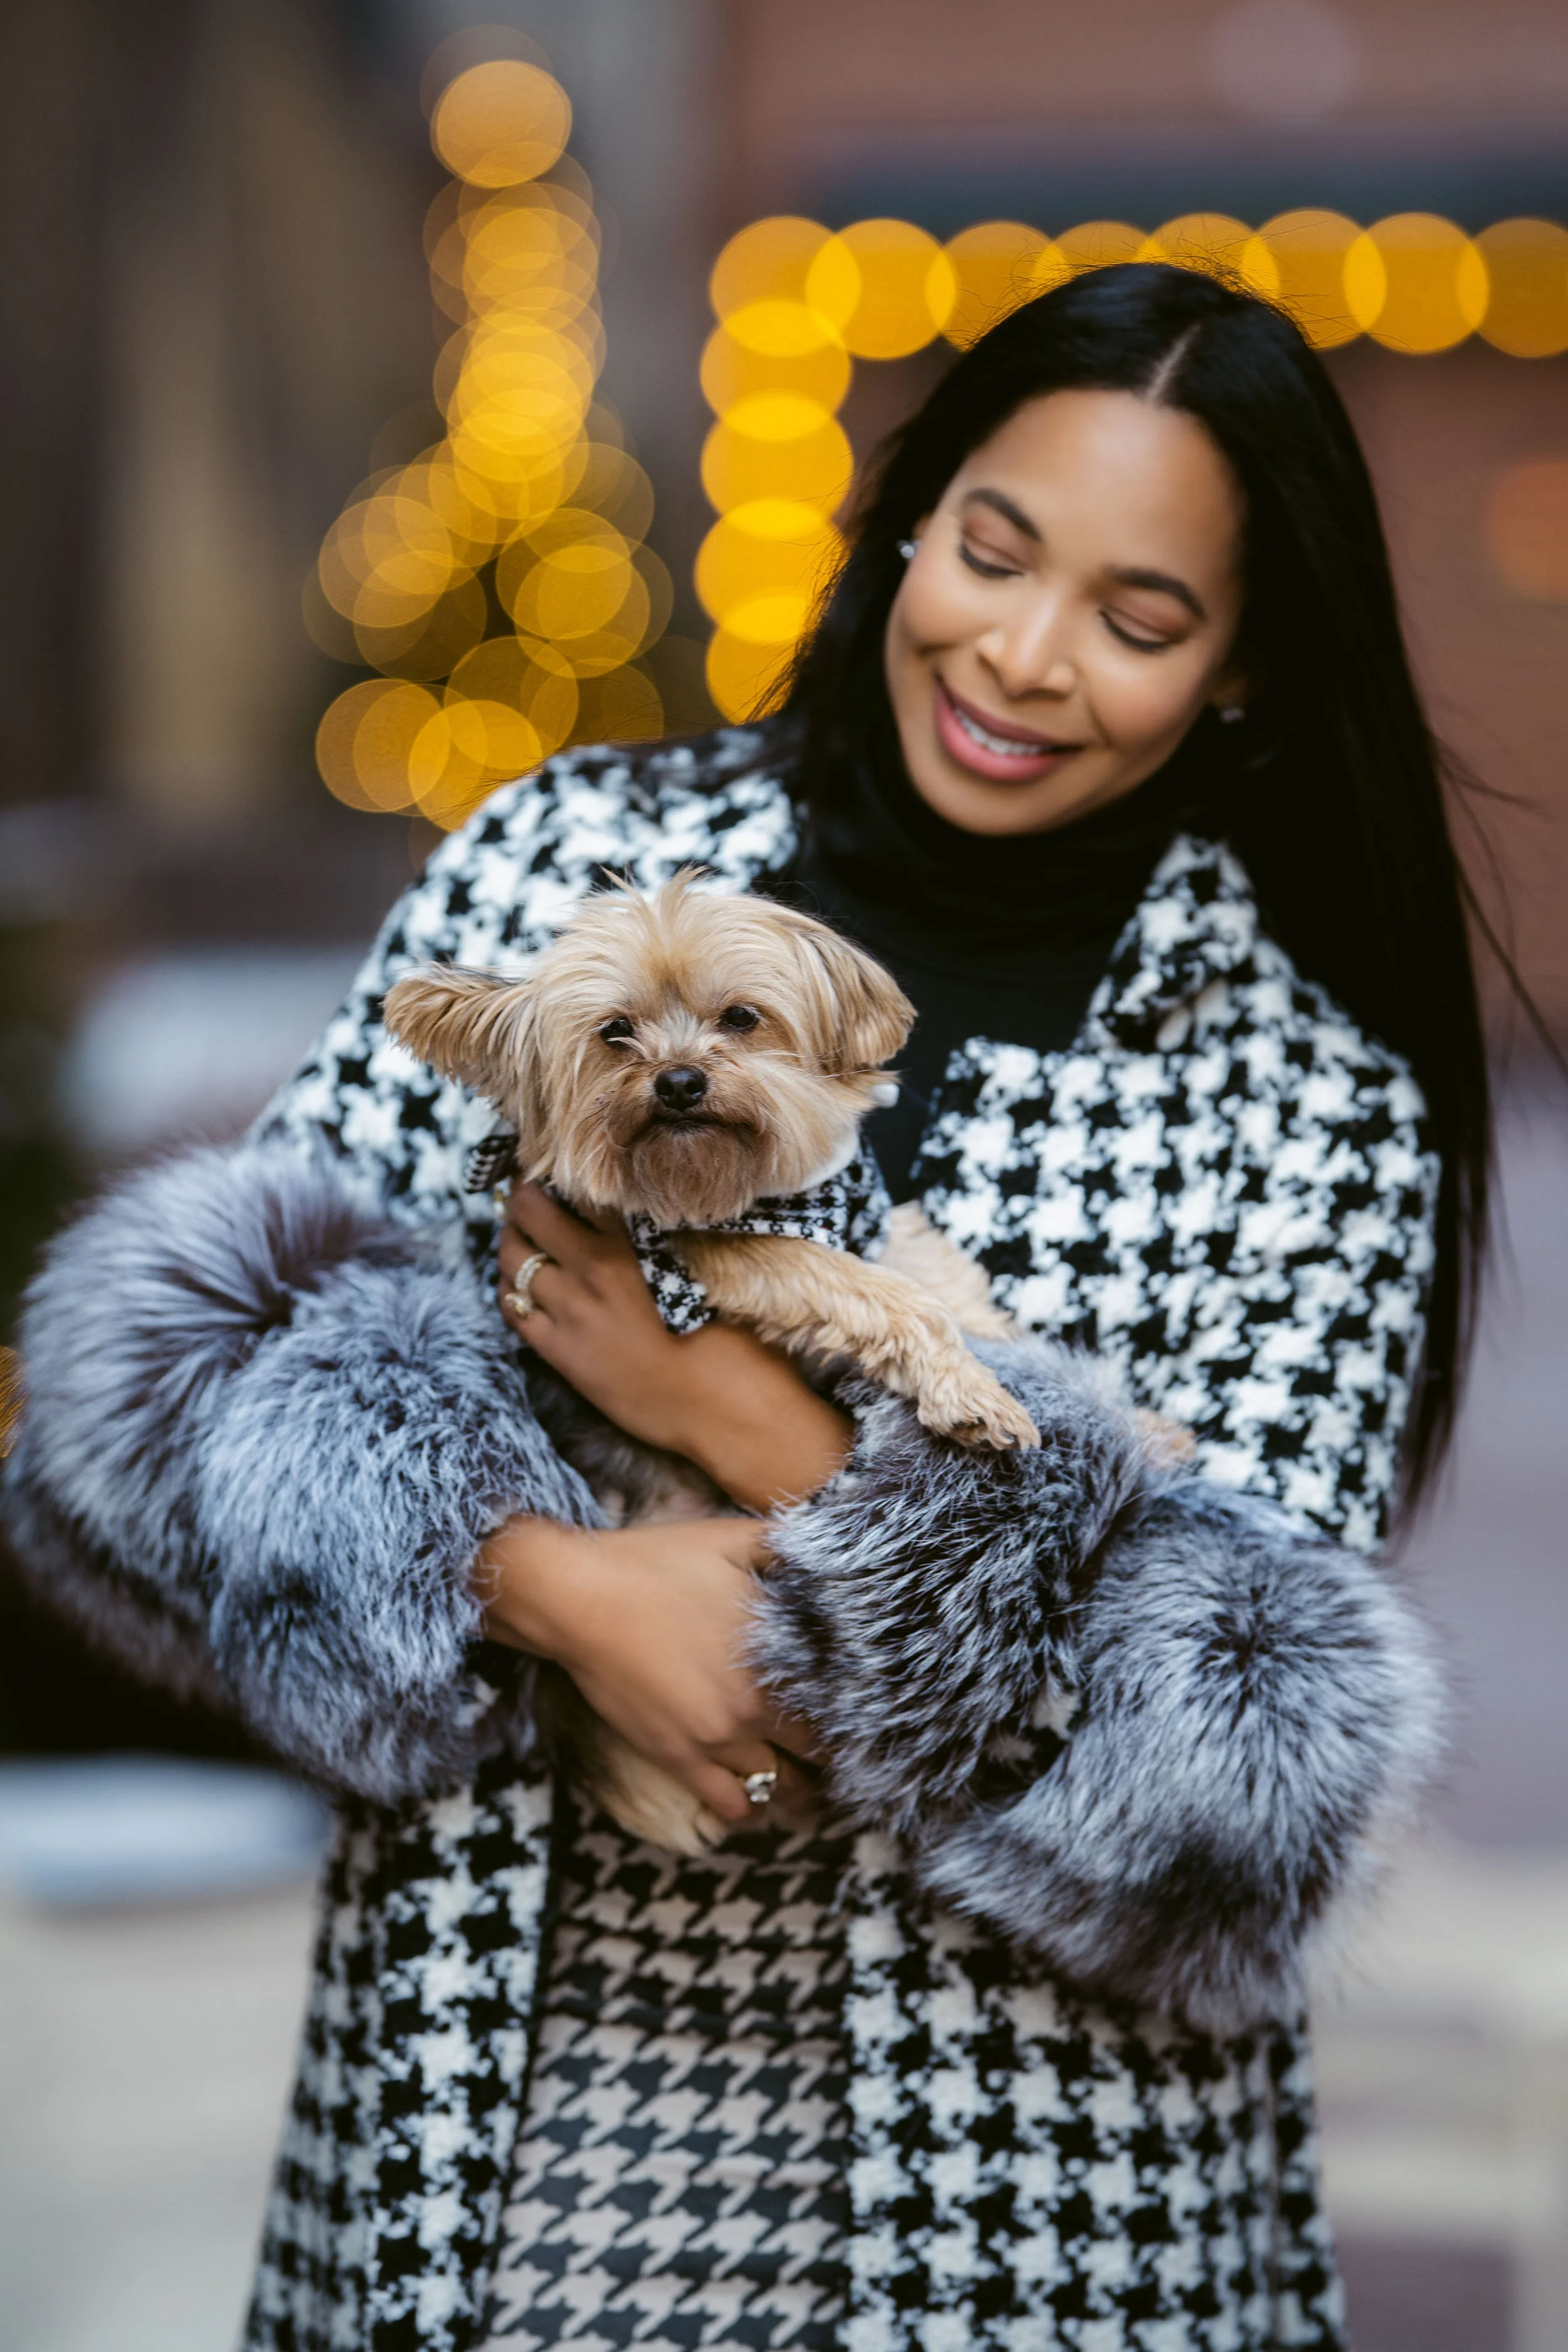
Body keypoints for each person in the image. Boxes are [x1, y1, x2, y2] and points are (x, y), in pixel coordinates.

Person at [4, 262, 1472, 2351]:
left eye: (1139, 621)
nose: (1023, 655)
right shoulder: (575, 864)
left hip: (1037, 2202)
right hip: (506, 2122)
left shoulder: (1301, 1112)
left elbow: (1248, 1803)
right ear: (903, 527)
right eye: (990, 547)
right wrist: (549, 1585)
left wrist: (751, 1432)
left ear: (1236, 674)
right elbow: (133, 1395)